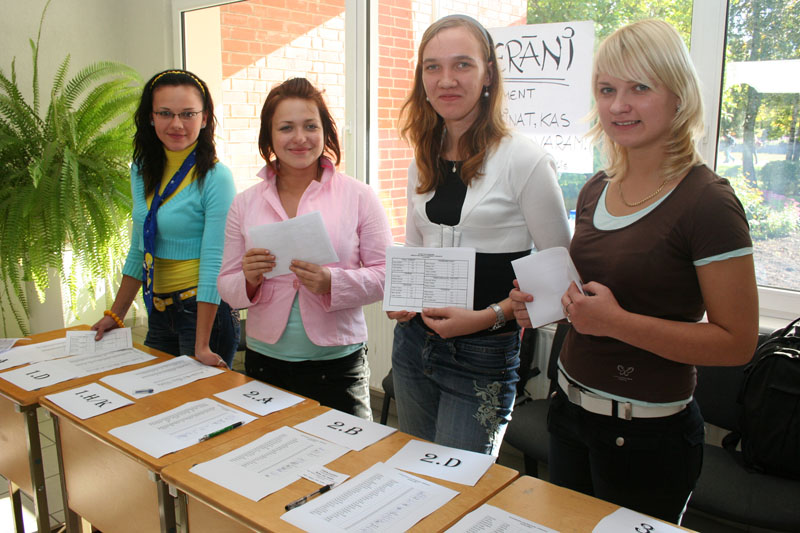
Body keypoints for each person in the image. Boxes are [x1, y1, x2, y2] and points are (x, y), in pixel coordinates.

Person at [510, 20, 758, 524]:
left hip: (645, 438)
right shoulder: (596, 188)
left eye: (640, 87)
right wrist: (544, 303)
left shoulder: (708, 202)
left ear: (679, 96)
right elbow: (591, 299)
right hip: (568, 413)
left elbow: (737, 343)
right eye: (607, 90)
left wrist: (617, 323)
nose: (619, 105)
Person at [389, 14, 571, 456]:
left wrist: (487, 317)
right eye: (432, 67)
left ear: (488, 73)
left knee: (458, 486)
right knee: (416, 474)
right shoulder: (422, 160)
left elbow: (561, 283)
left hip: (482, 356)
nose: (446, 80)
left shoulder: (525, 160)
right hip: (413, 347)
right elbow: (416, 249)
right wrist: (403, 297)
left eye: (462, 64)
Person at [217, 78, 391, 420]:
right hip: (266, 363)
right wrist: (249, 280)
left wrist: (333, 282)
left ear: (325, 131)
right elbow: (226, 283)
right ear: (269, 137)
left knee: (348, 453)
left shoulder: (359, 196)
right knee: (270, 450)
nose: (300, 137)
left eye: (310, 126)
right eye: (286, 128)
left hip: (339, 366)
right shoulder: (245, 203)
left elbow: (387, 274)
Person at [92, 69, 239, 368]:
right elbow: (139, 249)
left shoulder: (216, 178)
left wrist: (202, 344)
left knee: (199, 398)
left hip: (203, 315)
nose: (176, 124)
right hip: (159, 312)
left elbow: (215, 261)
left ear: (205, 118)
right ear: (151, 117)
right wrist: (116, 315)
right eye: (165, 113)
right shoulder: (142, 170)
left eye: (188, 114)